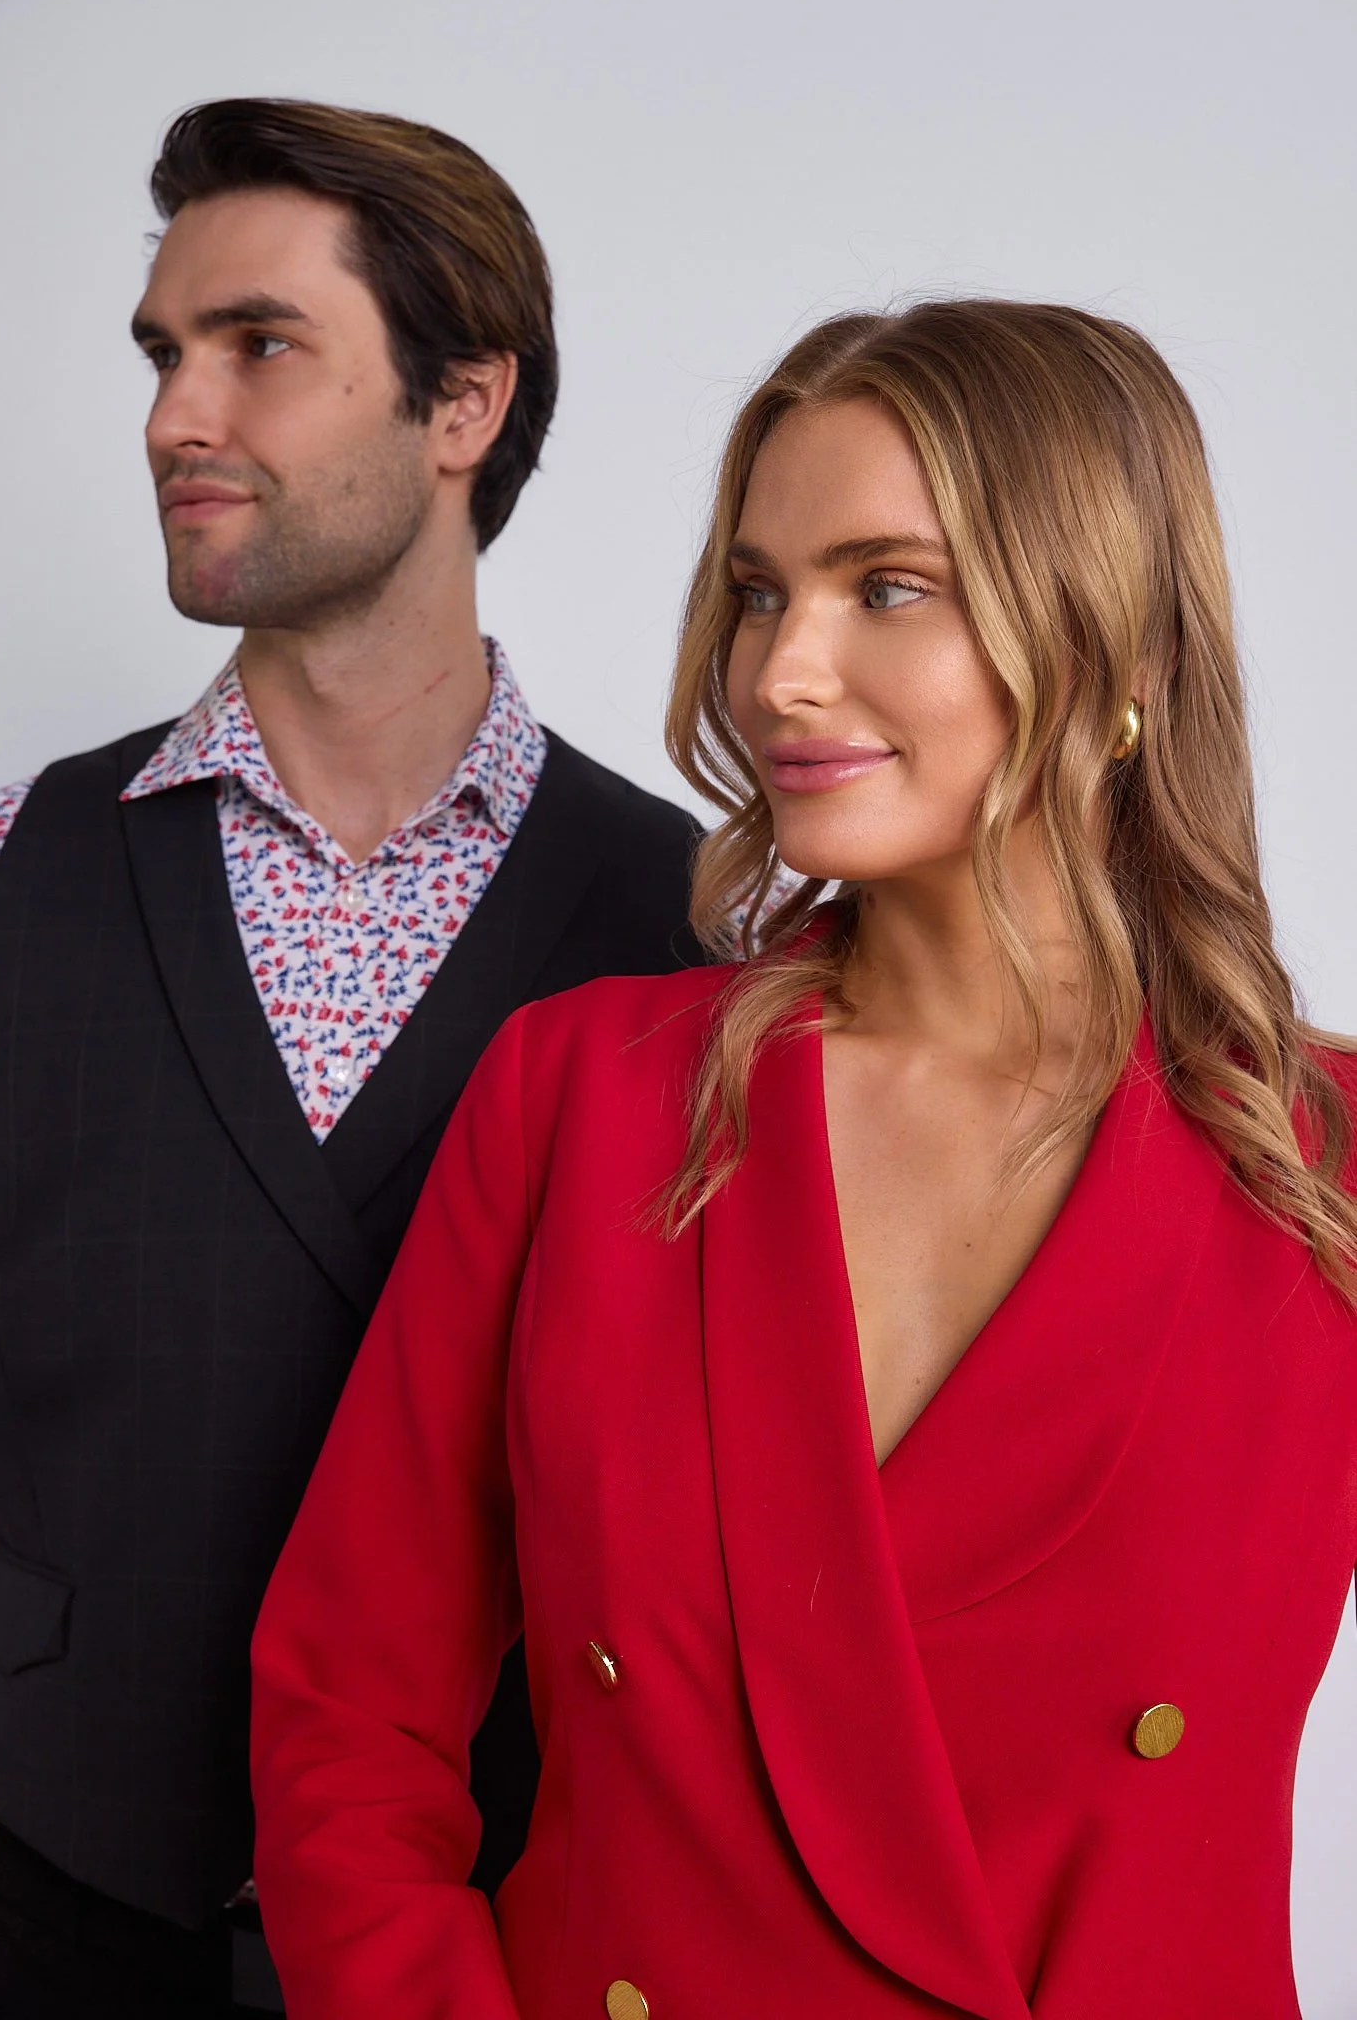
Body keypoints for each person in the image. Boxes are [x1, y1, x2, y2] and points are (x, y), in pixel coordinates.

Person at [249, 297, 1357, 2020]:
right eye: (761, 589)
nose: (779, 672)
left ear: (1116, 649)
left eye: (885, 586)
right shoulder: (580, 1096)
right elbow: (348, 1704)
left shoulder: (1324, 1163)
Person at [0, 98, 701, 2019]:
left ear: (463, 404)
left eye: (260, 346)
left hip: (509, 1933)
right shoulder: (12, 862)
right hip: (40, 1890)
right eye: (162, 354)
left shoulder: (710, 933)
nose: (173, 419)